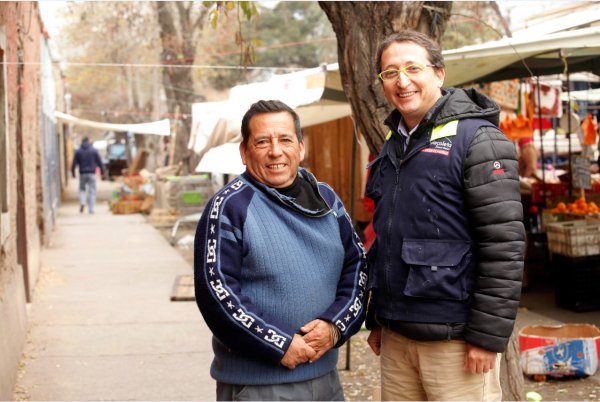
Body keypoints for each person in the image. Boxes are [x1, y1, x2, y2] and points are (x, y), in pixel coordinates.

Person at [364, 30, 525, 401]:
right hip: (397, 335)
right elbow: (386, 238)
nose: (402, 81)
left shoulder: (479, 140)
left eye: (412, 68)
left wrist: (486, 338)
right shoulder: (393, 145)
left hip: (457, 340)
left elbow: (505, 245)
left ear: (438, 73)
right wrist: (379, 317)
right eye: (390, 72)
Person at [194, 100, 368, 401]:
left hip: (326, 379)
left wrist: (335, 326)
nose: (276, 151)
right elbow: (217, 294)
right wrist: (279, 344)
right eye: (262, 142)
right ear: (245, 152)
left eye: (285, 139)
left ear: (301, 147)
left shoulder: (326, 198)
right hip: (259, 387)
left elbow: (358, 267)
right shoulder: (228, 207)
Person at [71, 137, 105, 214]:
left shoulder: (78, 151)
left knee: (82, 189)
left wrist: (73, 173)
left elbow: (74, 164)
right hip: (92, 173)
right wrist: (102, 172)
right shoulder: (94, 150)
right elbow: (99, 162)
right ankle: (91, 209)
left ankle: (82, 202)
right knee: (92, 191)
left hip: (82, 173)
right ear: (89, 142)